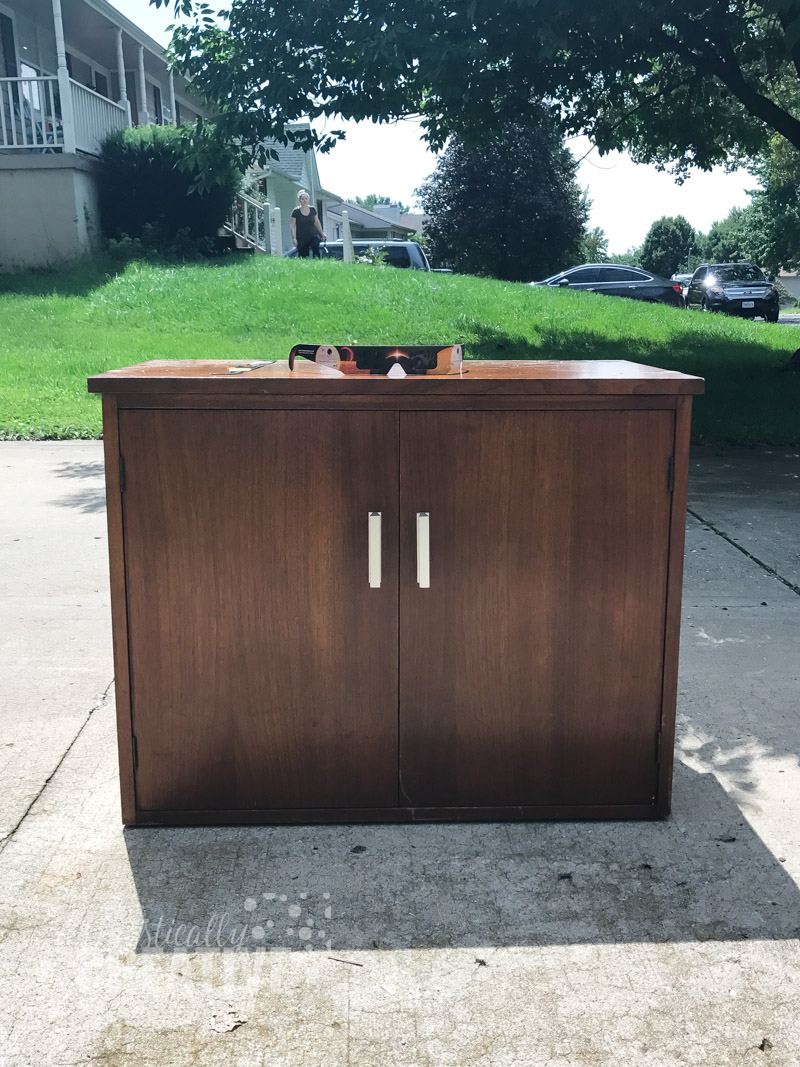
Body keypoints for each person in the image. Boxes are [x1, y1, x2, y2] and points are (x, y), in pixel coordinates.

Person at [290, 191, 327, 258]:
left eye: (306, 199)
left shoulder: (313, 210)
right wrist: (294, 238)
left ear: (308, 200)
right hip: (302, 238)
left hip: (313, 235)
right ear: (300, 200)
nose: (305, 200)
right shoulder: (296, 211)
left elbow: (317, 222)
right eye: (303, 199)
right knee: (303, 256)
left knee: (316, 251)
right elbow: (292, 225)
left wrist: (322, 233)